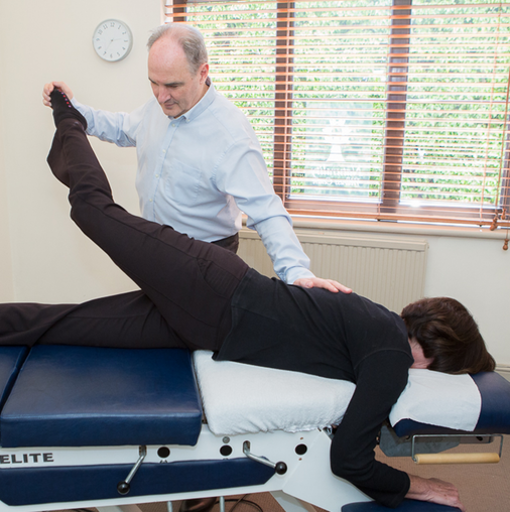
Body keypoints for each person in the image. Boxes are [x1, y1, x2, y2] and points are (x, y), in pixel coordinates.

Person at [2, 90, 496, 511]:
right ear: (434, 355)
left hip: (205, 324)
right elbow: (350, 459)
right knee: (92, 210)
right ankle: (66, 116)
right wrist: (417, 485)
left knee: (72, 324)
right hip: (211, 288)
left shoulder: (381, 325)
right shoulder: (390, 356)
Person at [42, 23, 350, 295]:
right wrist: (72, 107)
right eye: (153, 83)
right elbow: (123, 127)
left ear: (202, 72)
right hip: (155, 247)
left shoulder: (231, 135)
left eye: (172, 85)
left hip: (205, 260)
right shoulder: (159, 106)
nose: (161, 96)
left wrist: (295, 271)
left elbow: (266, 210)